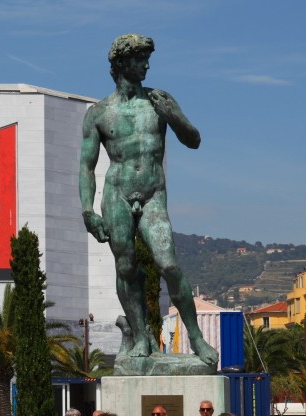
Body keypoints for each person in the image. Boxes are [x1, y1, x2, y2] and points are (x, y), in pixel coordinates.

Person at [79, 33, 216, 367]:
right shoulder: (98, 113)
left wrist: (175, 117)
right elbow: (86, 165)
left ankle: (196, 339)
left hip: (153, 193)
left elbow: (194, 140)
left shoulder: (159, 100)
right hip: (117, 193)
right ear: (122, 64)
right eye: (140, 59)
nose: (147, 65)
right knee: (125, 266)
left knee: (168, 264)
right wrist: (87, 210)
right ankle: (141, 337)